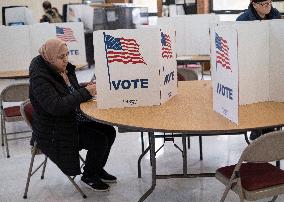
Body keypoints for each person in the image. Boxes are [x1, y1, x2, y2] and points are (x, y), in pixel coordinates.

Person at [29, 38, 116, 191]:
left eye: (67, 55)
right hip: (53, 130)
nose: (66, 60)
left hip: (68, 119)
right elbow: (56, 106)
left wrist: (84, 88)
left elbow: (69, 92)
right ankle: (88, 175)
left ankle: (96, 168)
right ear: (49, 57)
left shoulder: (62, 69)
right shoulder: (40, 78)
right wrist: (84, 93)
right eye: (61, 57)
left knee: (109, 130)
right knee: (99, 139)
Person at [237, 0, 280, 140]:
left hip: (272, 63)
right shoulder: (242, 20)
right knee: (256, 100)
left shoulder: (276, 15)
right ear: (254, 4)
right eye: (264, 4)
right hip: (251, 65)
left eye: (270, 3)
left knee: (271, 99)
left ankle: (270, 130)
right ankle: (256, 128)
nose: (268, 6)